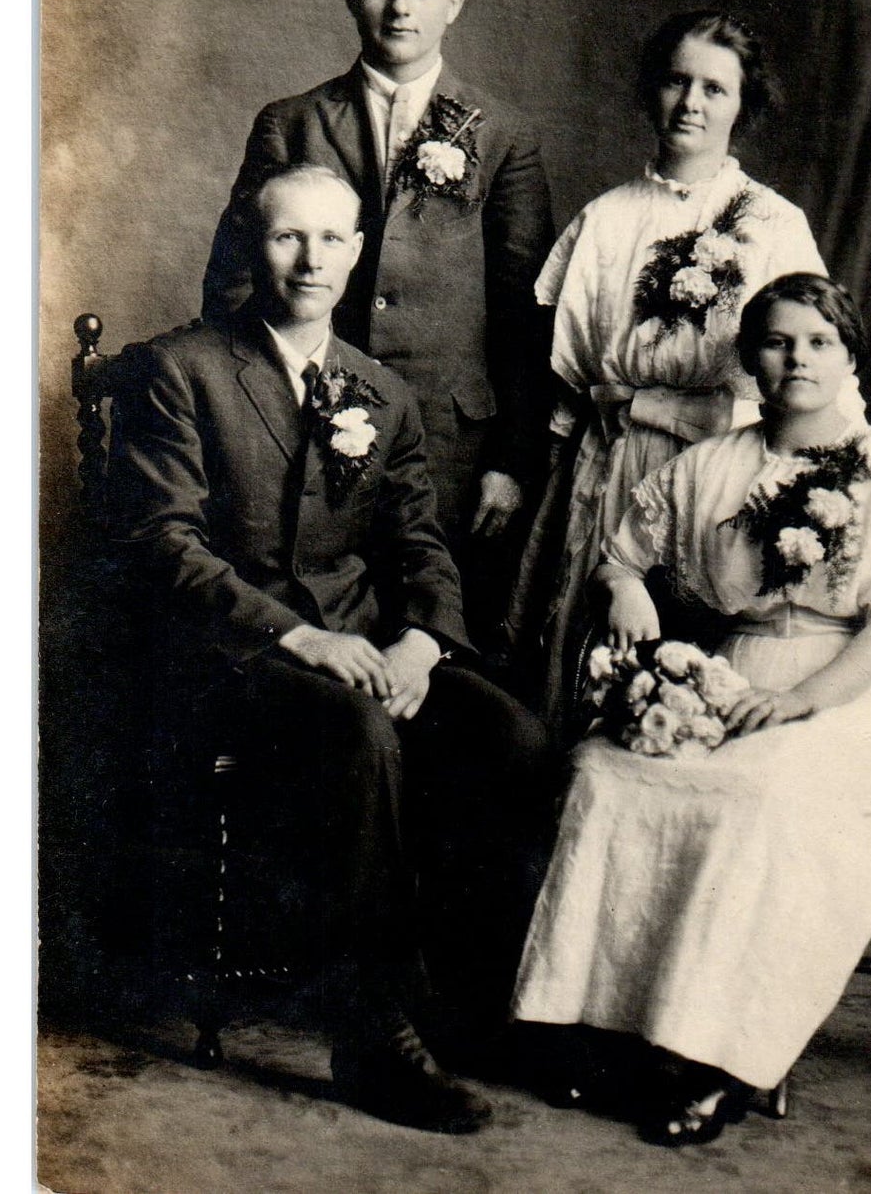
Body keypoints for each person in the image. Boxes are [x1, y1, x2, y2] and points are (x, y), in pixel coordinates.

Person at [109, 164, 552, 1136]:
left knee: (509, 733)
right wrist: (299, 634)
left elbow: (417, 544)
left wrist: (423, 644)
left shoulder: (379, 391)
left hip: (360, 644)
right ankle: (367, 1025)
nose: (310, 259)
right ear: (249, 242)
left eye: (331, 239)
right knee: (358, 731)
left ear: (356, 252)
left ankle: (465, 1005)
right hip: (230, 657)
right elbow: (162, 543)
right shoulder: (176, 368)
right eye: (285, 237)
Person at [510, 273, 871, 1147]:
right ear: (749, 358)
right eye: (776, 340)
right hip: (738, 671)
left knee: (757, 800)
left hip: (858, 690)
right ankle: (596, 1030)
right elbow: (620, 554)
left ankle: (712, 1058)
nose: (795, 358)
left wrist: (799, 700)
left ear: (847, 358)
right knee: (605, 774)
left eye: (817, 342)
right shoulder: (713, 462)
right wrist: (624, 588)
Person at [202, 0, 555, 652]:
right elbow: (232, 289)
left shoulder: (501, 135)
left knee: (435, 643)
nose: (400, 7)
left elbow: (527, 316)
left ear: (454, 2)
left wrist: (512, 461)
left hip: (449, 443)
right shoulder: (291, 123)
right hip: (298, 435)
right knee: (327, 634)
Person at [522, 9, 840, 724]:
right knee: (593, 676)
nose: (690, 103)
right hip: (612, 469)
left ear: (742, 105)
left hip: (725, 471)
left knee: (699, 687)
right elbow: (568, 380)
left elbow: (809, 371)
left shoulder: (772, 223)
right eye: (675, 81)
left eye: (713, 88)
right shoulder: (604, 218)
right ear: (651, 91)